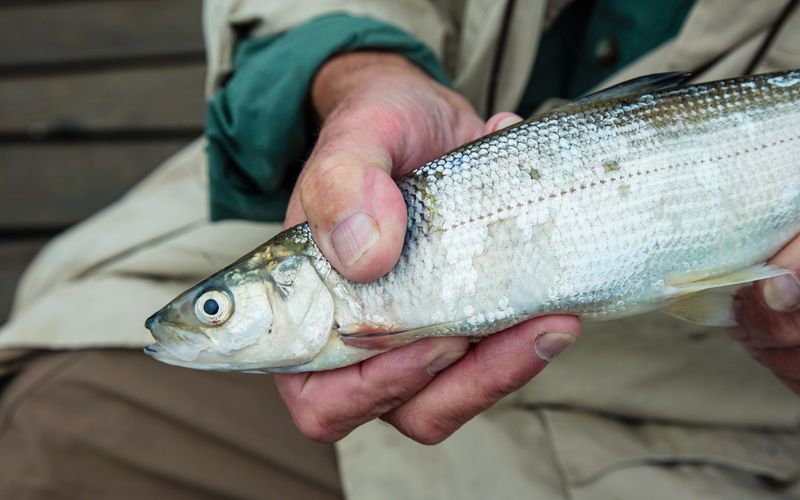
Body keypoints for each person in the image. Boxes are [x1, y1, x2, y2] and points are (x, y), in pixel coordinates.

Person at [1, 1, 799, 498]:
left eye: (215, 310)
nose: (205, 320)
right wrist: (354, 72)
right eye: (216, 308)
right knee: (37, 433)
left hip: (689, 438)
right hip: (225, 223)